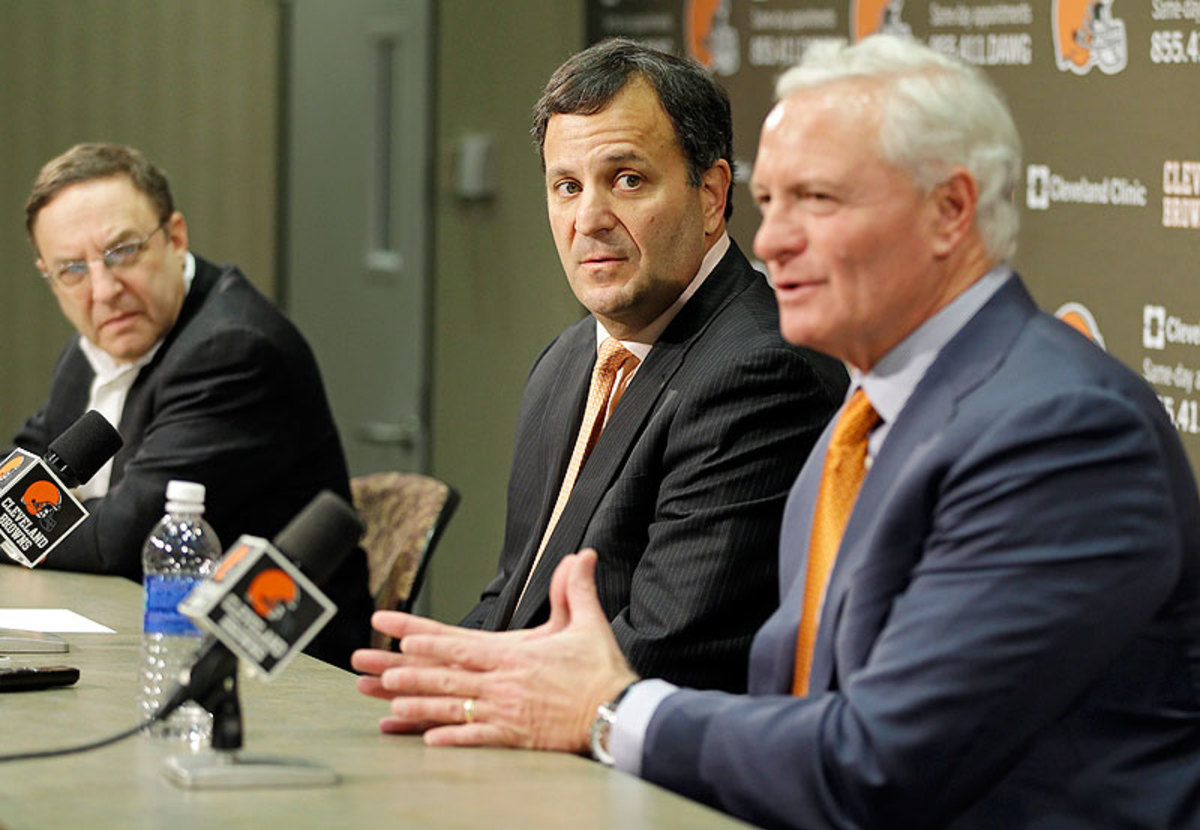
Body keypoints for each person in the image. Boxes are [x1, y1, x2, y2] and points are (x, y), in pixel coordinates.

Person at [352, 35, 1200, 829]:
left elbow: (877, 762)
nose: (777, 238)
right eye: (772, 201)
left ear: (951, 211)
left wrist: (607, 709)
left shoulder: (1059, 429)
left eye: (818, 200)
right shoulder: (866, 423)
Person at [431, 39, 844, 692]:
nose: (588, 219)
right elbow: (515, 599)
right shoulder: (569, 361)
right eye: (566, 186)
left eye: (627, 180)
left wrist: (472, 698)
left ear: (711, 196)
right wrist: (428, 675)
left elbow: (662, 648)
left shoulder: (761, 373)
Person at [11, 143, 371, 670]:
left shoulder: (235, 350)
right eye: (73, 270)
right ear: (49, 275)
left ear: (175, 237)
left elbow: (122, 538)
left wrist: (16, 527)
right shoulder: (90, 350)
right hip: (143, 645)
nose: (104, 290)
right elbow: (23, 478)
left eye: (122, 251)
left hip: (275, 672)